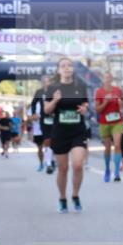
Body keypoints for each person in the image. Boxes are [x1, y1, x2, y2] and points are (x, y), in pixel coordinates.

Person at [44, 58, 90, 212]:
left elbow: (85, 104)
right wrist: (55, 101)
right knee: (63, 168)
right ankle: (62, 197)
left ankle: (75, 195)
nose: (67, 68)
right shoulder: (53, 88)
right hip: (60, 132)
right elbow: (46, 110)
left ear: (73, 69)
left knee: (77, 165)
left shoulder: (80, 86)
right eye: (63, 66)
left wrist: (84, 109)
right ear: (58, 70)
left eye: (69, 65)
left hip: (78, 131)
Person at [95, 72, 123, 182]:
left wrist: (121, 104)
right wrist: (105, 102)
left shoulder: (118, 90)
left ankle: (117, 172)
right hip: (105, 122)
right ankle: (107, 169)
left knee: (117, 145)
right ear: (102, 79)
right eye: (105, 77)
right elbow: (98, 110)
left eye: (109, 77)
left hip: (117, 121)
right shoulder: (99, 92)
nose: (107, 79)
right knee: (107, 148)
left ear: (112, 78)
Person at [28, 84, 47, 171]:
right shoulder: (34, 105)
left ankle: (50, 161)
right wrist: (34, 117)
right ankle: (41, 163)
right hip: (38, 130)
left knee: (50, 146)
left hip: (48, 128)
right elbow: (29, 118)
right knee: (40, 148)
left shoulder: (50, 102)